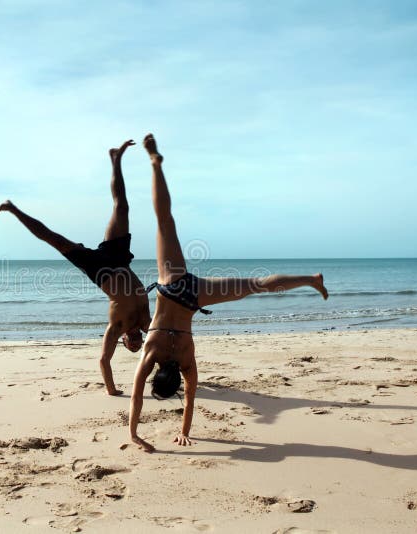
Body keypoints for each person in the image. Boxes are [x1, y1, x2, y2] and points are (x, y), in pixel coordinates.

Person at [129, 134, 329, 452]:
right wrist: (133, 434)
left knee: (255, 287)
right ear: (156, 375)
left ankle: (310, 279)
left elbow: (191, 397)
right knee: (165, 222)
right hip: (174, 285)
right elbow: (137, 396)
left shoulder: (186, 362)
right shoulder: (150, 353)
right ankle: (155, 164)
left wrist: (184, 432)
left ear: (176, 380)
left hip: (194, 297)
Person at [0, 140, 151, 396]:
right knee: (122, 206)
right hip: (119, 259)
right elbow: (163, 344)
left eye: (131, 345)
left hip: (98, 270)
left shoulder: (116, 327)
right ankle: (116, 159)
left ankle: (13, 208)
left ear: (124, 340)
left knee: (54, 240)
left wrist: (111, 390)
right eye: (138, 344)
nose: (135, 343)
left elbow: (103, 360)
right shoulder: (148, 321)